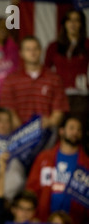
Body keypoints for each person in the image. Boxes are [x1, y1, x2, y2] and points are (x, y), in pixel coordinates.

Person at [26, 115, 89, 224]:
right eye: (71, 128)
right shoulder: (44, 158)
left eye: (79, 129)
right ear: (61, 131)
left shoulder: (86, 163)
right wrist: (33, 216)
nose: (75, 132)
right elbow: (31, 189)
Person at [0, 35, 69, 134]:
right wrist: (24, 132)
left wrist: (50, 123)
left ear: (41, 51)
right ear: (21, 53)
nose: (32, 52)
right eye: (28, 49)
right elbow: (8, 110)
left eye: (35, 48)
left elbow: (59, 110)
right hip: (19, 136)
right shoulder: (11, 80)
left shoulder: (54, 79)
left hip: (47, 134)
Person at [44, 8, 89, 154]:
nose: (73, 24)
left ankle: (81, 166)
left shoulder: (87, 45)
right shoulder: (54, 46)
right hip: (59, 96)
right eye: (70, 20)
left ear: (82, 24)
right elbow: (45, 70)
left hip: (81, 97)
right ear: (64, 24)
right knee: (59, 132)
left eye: (77, 20)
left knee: (77, 132)